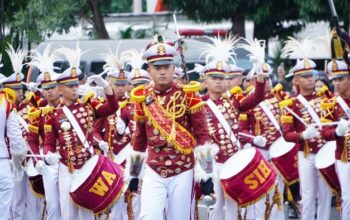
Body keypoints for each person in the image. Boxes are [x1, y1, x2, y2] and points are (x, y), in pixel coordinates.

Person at [127, 34, 217, 220]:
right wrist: (134, 175)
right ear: (149, 70)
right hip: (153, 168)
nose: (162, 72)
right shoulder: (142, 98)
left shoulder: (190, 95)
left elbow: (203, 137)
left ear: (174, 68)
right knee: (148, 216)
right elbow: (139, 139)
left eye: (166, 67)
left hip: (182, 169)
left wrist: (207, 177)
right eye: (157, 67)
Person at [43, 45, 119, 219]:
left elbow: (112, 107)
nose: (75, 88)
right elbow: (48, 143)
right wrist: (48, 154)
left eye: (76, 84)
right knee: (68, 212)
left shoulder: (89, 105)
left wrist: (106, 87)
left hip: (88, 165)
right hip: (66, 168)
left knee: (87, 212)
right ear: (60, 89)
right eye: (70, 86)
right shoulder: (53, 114)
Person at [280, 37, 332, 220]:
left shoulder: (326, 98)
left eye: (312, 75)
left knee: (325, 195)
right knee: (308, 195)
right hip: (306, 153)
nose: (311, 79)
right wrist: (302, 135)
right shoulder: (289, 104)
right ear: (296, 79)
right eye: (306, 76)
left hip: (326, 152)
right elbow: (286, 134)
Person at [239, 63, 287, 220]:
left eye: (269, 78)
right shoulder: (247, 101)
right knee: (261, 191)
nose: (267, 81)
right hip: (260, 152)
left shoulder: (280, 97)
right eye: (263, 78)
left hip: (278, 151)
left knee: (278, 191)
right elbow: (242, 130)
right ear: (255, 80)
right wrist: (254, 139)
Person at [2, 45, 44, 220]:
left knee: (34, 201)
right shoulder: (7, 107)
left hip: (30, 160)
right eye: (16, 89)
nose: (20, 93)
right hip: (11, 161)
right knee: (15, 203)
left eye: (21, 89)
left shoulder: (32, 107)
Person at [27, 45, 62, 220]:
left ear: (59, 88)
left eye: (52, 87)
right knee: (53, 206)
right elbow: (32, 139)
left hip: (67, 162)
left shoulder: (69, 109)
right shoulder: (38, 113)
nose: (49, 90)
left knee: (71, 204)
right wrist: (36, 159)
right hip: (47, 163)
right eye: (45, 87)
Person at [320, 59, 350, 220]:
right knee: (347, 197)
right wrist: (337, 132)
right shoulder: (330, 105)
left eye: (341, 79)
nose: (337, 83)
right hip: (344, 156)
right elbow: (324, 133)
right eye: (334, 80)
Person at [0, 58, 28, 220]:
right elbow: (17, 142)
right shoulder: (6, 103)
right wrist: (17, 165)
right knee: (4, 211)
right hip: (2, 162)